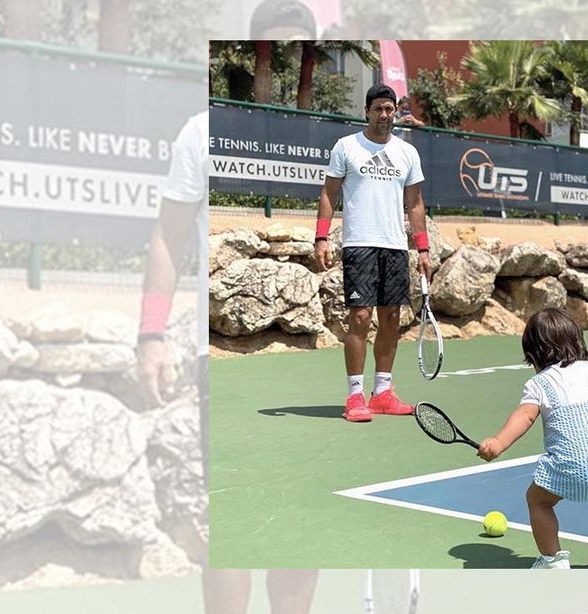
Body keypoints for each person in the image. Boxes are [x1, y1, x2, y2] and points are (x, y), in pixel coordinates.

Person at [137, 109, 319, 613]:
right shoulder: (198, 131)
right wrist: (151, 333)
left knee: (298, 521)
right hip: (224, 362)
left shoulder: (332, 141)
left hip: (307, 363)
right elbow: (167, 238)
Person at [477, 307, 588, 570]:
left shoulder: (539, 384)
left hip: (569, 465)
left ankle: (553, 560)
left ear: (533, 353)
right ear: (577, 340)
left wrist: (498, 443)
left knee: (538, 500)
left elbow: (525, 416)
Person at [315, 83, 431, 422]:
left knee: (391, 318)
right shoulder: (346, 147)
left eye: (389, 109)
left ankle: (382, 392)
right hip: (359, 244)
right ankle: (355, 396)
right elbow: (328, 195)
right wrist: (321, 238)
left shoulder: (407, 153)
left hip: (395, 246)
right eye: (378, 108)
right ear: (367, 111)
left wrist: (423, 248)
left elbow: (416, 203)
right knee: (361, 318)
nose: (384, 115)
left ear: (396, 112)